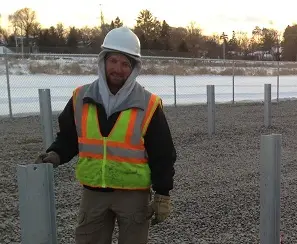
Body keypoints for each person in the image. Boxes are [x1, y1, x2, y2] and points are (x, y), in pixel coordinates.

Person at [35, 26, 176, 244]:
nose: (118, 69)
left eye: (125, 63)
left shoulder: (148, 105)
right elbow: (69, 138)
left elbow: (163, 153)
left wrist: (163, 193)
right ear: (103, 61)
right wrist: (55, 154)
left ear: (133, 68)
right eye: (113, 61)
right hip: (94, 194)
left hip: (134, 196)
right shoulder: (80, 98)